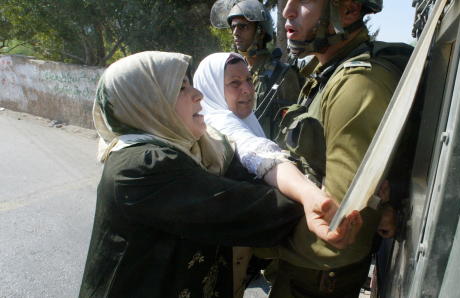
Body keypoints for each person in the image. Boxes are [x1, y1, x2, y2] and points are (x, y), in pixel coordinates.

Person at [78, 51, 361, 298]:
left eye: (191, 85)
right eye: (181, 88)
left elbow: (250, 171)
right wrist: (327, 205)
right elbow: (238, 208)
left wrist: (311, 189)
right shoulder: (140, 166)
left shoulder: (201, 146)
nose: (197, 94)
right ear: (148, 103)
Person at [261, 0, 406, 296]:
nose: (287, 11)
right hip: (305, 273)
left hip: (316, 281)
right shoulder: (328, 73)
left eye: (303, 1)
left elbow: (339, 235)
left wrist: (255, 242)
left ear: (349, 11)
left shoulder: (358, 84)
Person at [194, 52, 367, 294]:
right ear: (210, 88)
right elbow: (260, 154)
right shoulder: (221, 123)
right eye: (234, 83)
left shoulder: (237, 117)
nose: (247, 89)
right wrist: (309, 195)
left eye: (249, 80)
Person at [212, 0, 301, 139]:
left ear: (260, 32)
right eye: (234, 27)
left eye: (243, 27)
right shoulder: (230, 74)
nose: (236, 32)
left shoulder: (282, 75)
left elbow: (295, 130)